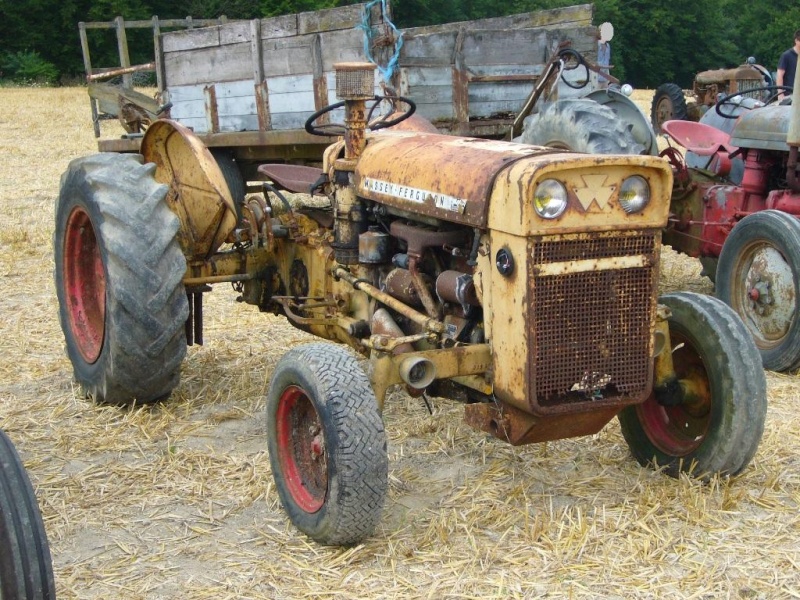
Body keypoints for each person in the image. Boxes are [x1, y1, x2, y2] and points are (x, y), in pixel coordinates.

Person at [776, 29, 800, 97]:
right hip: (789, 95)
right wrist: (780, 94)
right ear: (796, 41)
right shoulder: (786, 56)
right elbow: (779, 75)